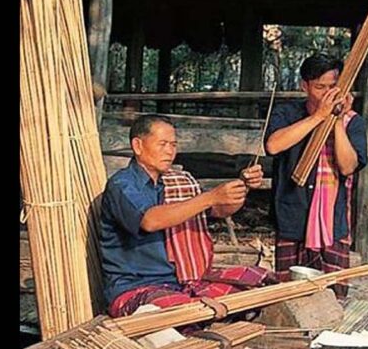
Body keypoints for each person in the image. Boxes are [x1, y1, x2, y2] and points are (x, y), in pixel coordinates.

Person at [100, 114, 269, 317]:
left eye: (173, 144)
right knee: (182, 311)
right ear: (138, 146)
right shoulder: (123, 185)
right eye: (162, 144)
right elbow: (150, 220)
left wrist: (242, 188)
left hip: (180, 282)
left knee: (258, 288)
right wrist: (211, 197)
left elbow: (217, 211)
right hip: (136, 287)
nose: (170, 151)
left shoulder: (176, 183)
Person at [264, 53, 368, 298]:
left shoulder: (353, 122)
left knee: (334, 298)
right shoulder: (287, 114)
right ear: (305, 86)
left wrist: (337, 121)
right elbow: (273, 146)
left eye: (333, 87)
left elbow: (348, 166)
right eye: (320, 87)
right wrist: (319, 117)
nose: (327, 94)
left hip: (332, 220)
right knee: (288, 296)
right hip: (292, 215)